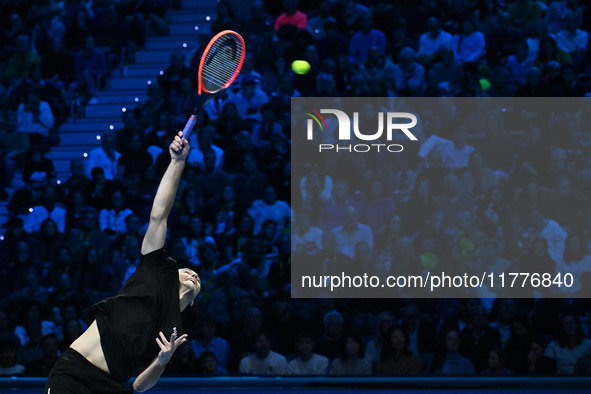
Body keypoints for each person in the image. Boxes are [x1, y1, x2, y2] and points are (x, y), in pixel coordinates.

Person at [45, 132, 201, 393]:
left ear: (192, 302)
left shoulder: (172, 332)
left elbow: (140, 385)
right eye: (188, 271)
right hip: (73, 375)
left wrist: (162, 361)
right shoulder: (155, 269)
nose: (194, 276)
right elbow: (158, 216)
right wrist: (177, 162)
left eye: (198, 279)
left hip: (112, 387)